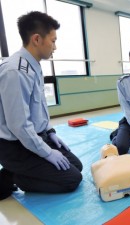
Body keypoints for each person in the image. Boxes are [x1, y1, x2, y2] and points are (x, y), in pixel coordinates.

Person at [0, 11, 82, 200]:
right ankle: (16, 175)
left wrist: (50, 132)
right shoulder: (15, 71)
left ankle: (24, 170)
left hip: (33, 138)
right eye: (53, 41)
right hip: (16, 146)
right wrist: (46, 152)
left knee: (76, 166)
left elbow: (37, 108)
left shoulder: (33, 65)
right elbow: (19, 126)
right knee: (71, 179)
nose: (55, 46)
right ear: (37, 39)